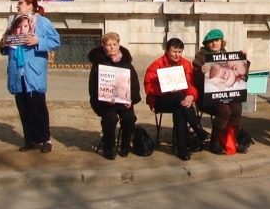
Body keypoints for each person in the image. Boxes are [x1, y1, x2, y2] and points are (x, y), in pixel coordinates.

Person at [0, 0, 61, 153]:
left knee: (37, 107)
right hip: (17, 71)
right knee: (23, 107)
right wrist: (4, 43)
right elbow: (5, 45)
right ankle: (30, 139)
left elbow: (56, 41)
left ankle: (45, 139)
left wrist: (39, 41)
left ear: (30, 5)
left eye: (20, 3)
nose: (17, 6)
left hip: (33, 71)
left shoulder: (42, 22)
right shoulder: (14, 22)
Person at [144, 38, 208, 161]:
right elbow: (148, 87)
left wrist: (191, 96)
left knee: (180, 107)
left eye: (180, 51)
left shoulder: (185, 63)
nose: (177, 54)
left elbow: (190, 84)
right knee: (180, 99)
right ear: (167, 51)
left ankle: (182, 150)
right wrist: (165, 89)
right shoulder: (156, 65)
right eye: (174, 51)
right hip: (160, 100)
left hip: (180, 100)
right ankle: (198, 130)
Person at [192, 29, 248, 155]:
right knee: (224, 111)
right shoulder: (200, 59)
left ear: (222, 42)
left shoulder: (229, 57)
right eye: (210, 41)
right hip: (206, 98)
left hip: (227, 94)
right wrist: (201, 73)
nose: (214, 43)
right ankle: (214, 142)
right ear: (206, 44)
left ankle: (231, 141)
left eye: (217, 40)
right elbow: (197, 83)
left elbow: (240, 77)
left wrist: (243, 61)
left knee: (237, 109)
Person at [88, 32, 141, 160]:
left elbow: (134, 86)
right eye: (108, 44)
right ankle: (109, 147)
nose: (111, 47)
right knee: (110, 118)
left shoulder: (127, 64)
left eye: (114, 44)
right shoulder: (98, 65)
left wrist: (131, 99)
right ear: (103, 46)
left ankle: (125, 145)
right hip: (105, 103)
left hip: (124, 101)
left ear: (119, 45)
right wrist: (104, 98)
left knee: (129, 118)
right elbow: (93, 88)